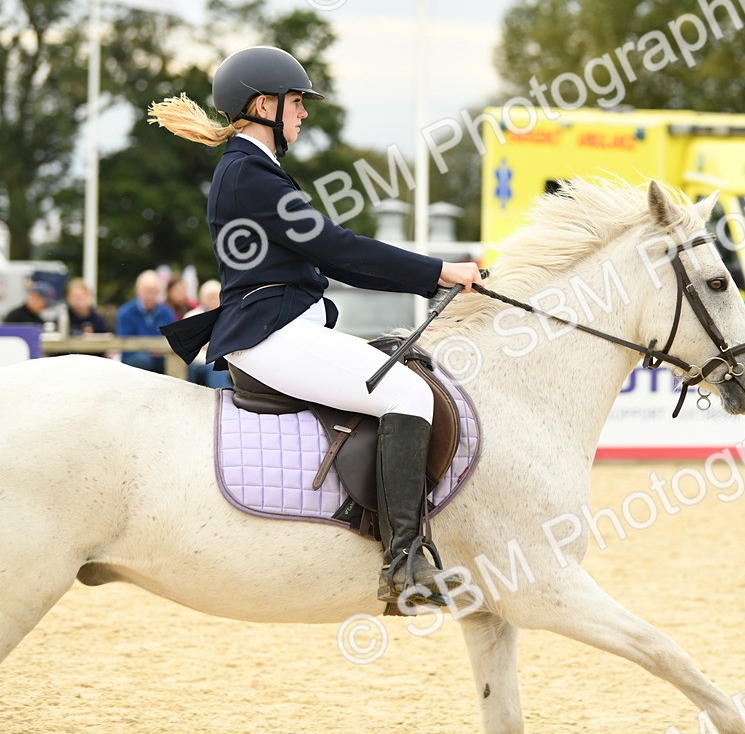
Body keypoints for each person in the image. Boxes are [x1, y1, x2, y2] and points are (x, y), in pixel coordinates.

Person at [147, 45, 483, 607]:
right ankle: (404, 563)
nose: (304, 114)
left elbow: (332, 257)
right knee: (406, 394)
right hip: (273, 335)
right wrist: (439, 271)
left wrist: (430, 278)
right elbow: (336, 247)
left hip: (287, 328)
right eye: (297, 102)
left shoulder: (255, 171)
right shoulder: (248, 173)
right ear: (263, 105)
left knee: (402, 377)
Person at [116, 270, 176, 373]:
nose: (150, 295)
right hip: (134, 359)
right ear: (138, 291)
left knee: (183, 364)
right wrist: (149, 350)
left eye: (154, 291)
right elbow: (125, 343)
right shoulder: (126, 312)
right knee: (144, 361)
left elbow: (172, 339)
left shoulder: (167, 312)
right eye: (147, 291)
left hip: (161, 357)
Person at [184, 280, 232, 389]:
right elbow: (189, 351)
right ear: (202, 299)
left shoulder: (229, 317)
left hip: (226, 363)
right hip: (198, 364)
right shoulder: (191, 317)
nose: (213, 300)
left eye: (216, 296)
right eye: (209, 297)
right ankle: (224, 399)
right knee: (216, 368)